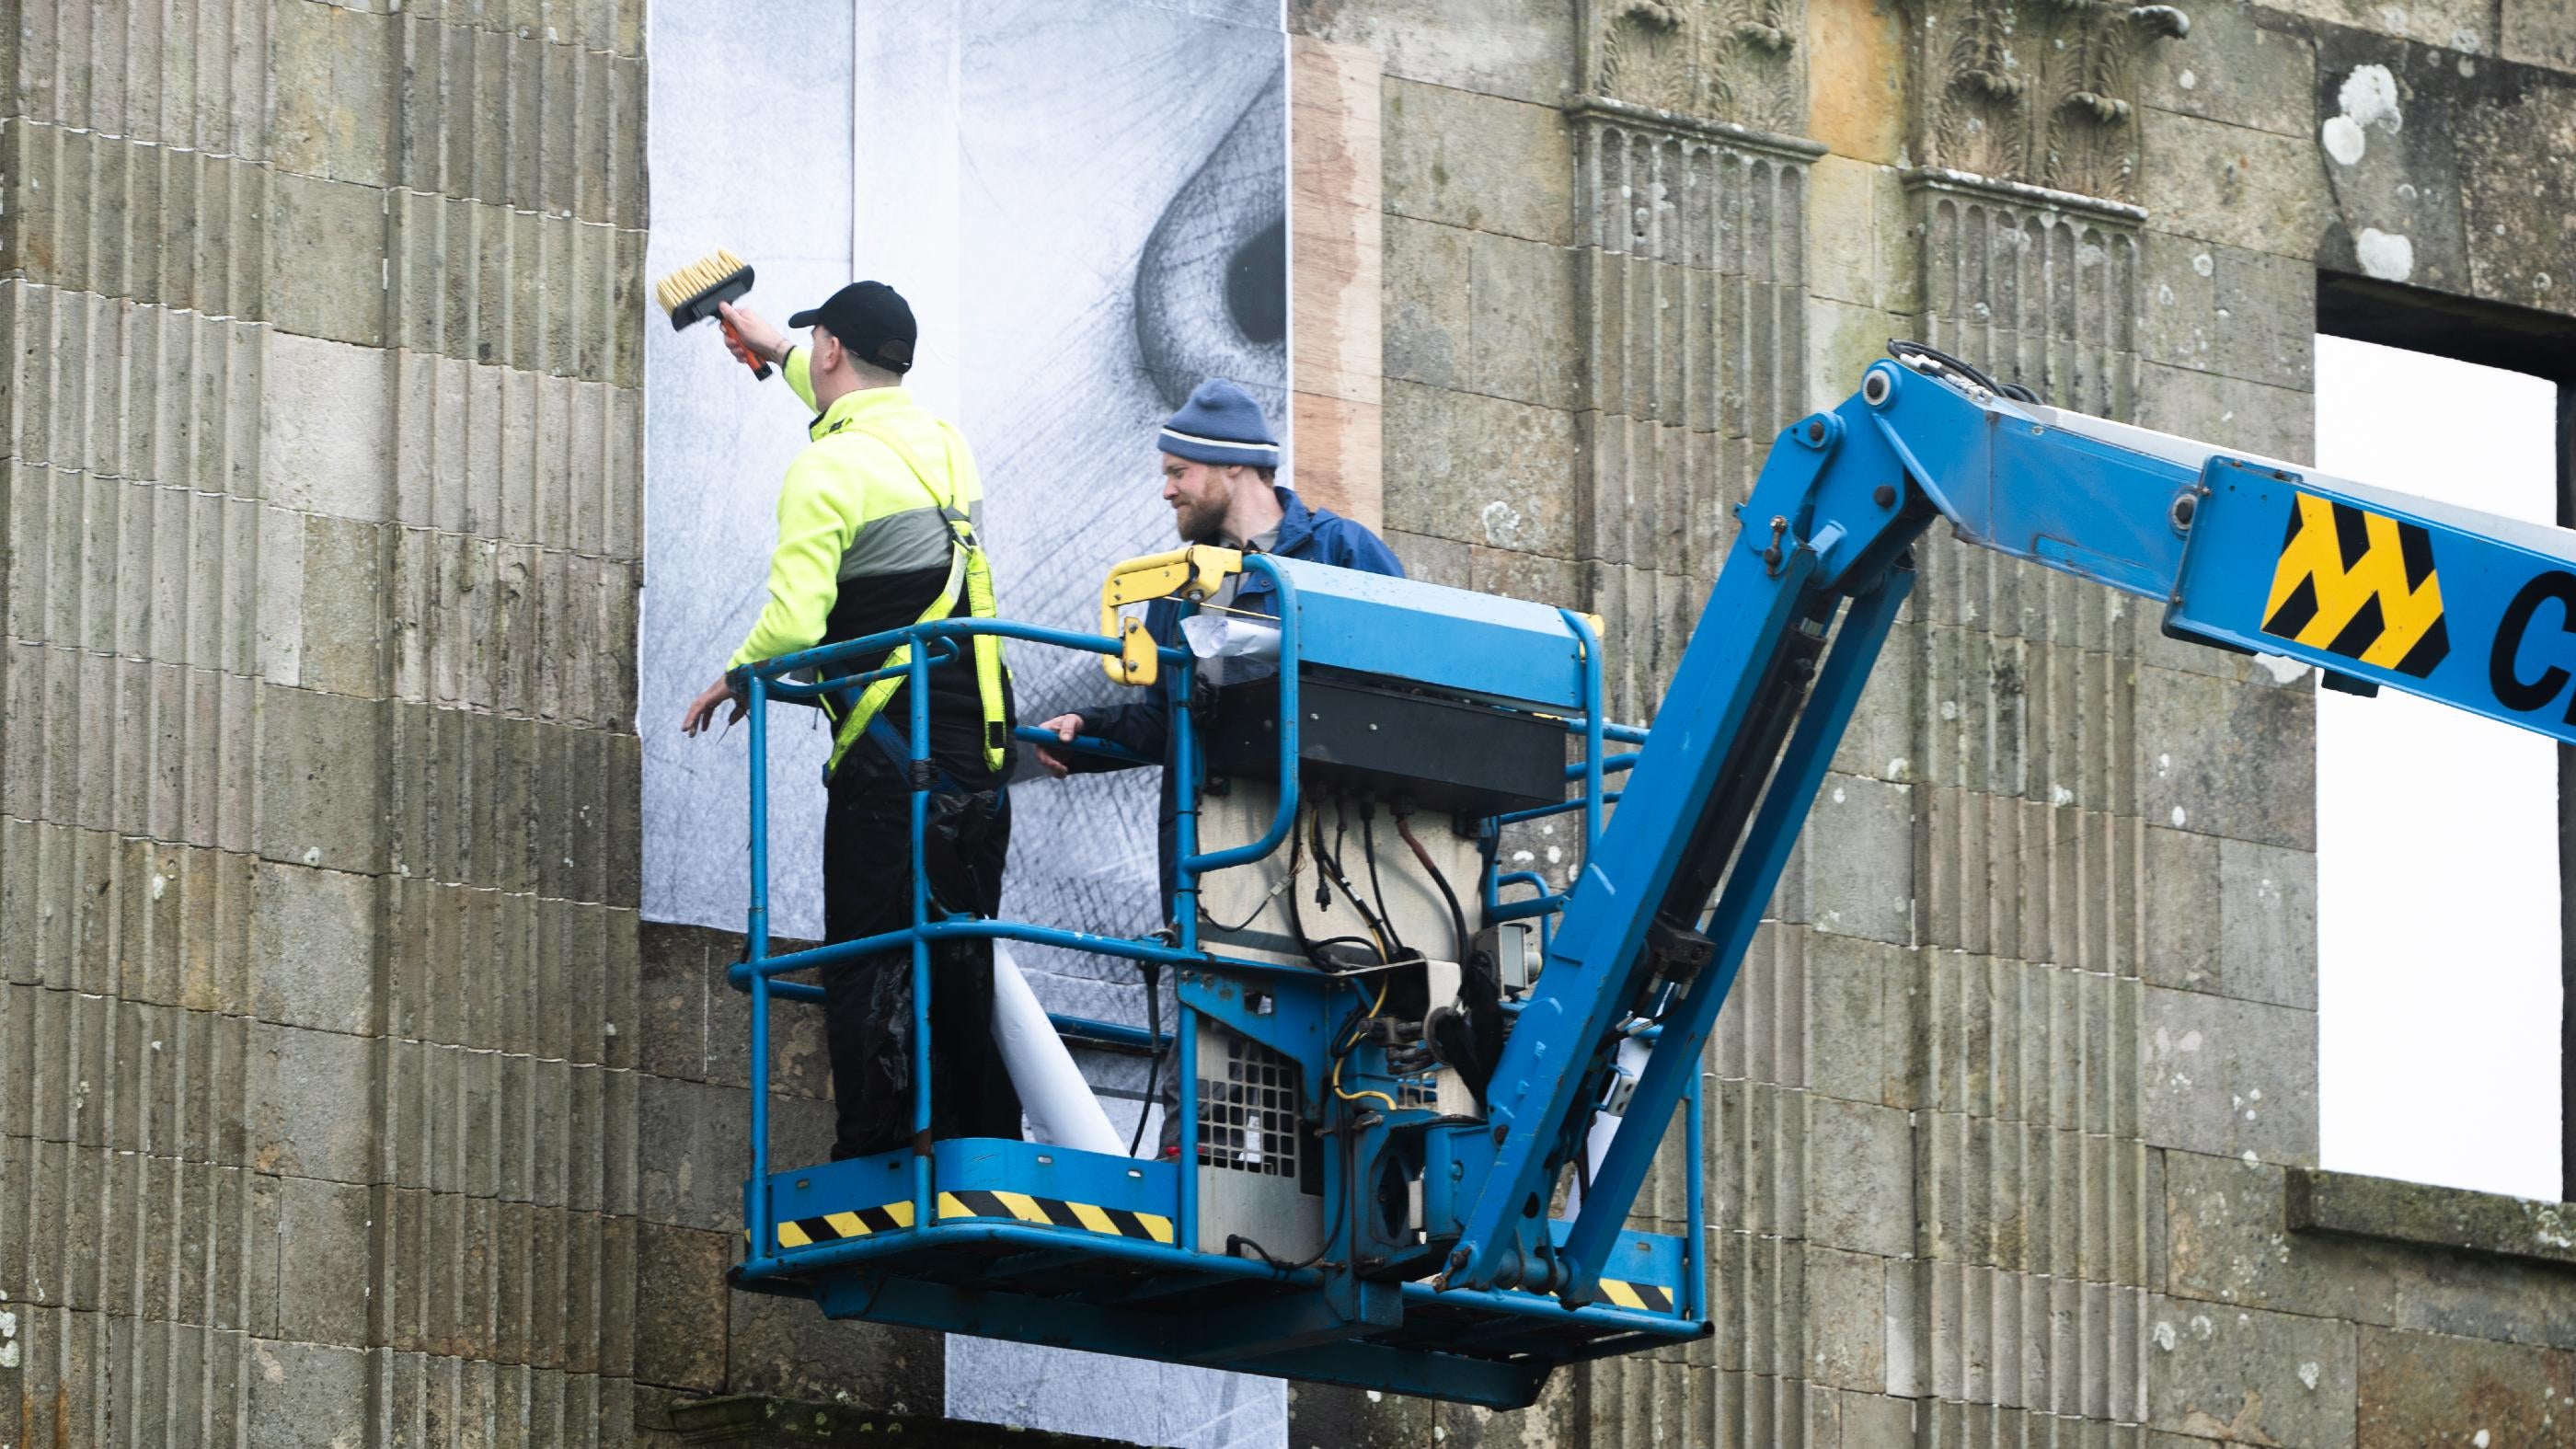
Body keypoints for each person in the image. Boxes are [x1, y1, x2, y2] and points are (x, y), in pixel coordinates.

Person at [681, 282, 1021, 1162]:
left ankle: (876, 1158)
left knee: (874, 959)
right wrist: (772, 345)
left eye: (816, 342)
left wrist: (734, 677)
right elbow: (861, 417)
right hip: (975, 757)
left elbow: (794, 628)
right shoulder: (945, 446)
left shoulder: (824, 469)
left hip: (891, 763)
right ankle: (978, 1150)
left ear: (833, 349)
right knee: (959, 954)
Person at [1030, 379, 1403, 1149]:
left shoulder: (1344, 553)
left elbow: (1404, 694)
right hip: (1211, 873)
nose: (1167, 489)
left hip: (1333, 874)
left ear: (1233, 467)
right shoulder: (1176, 584)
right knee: (1209, 1079)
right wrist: (1089, 732)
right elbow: (1167, 719)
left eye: (1178, 472)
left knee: (1334, 1071)